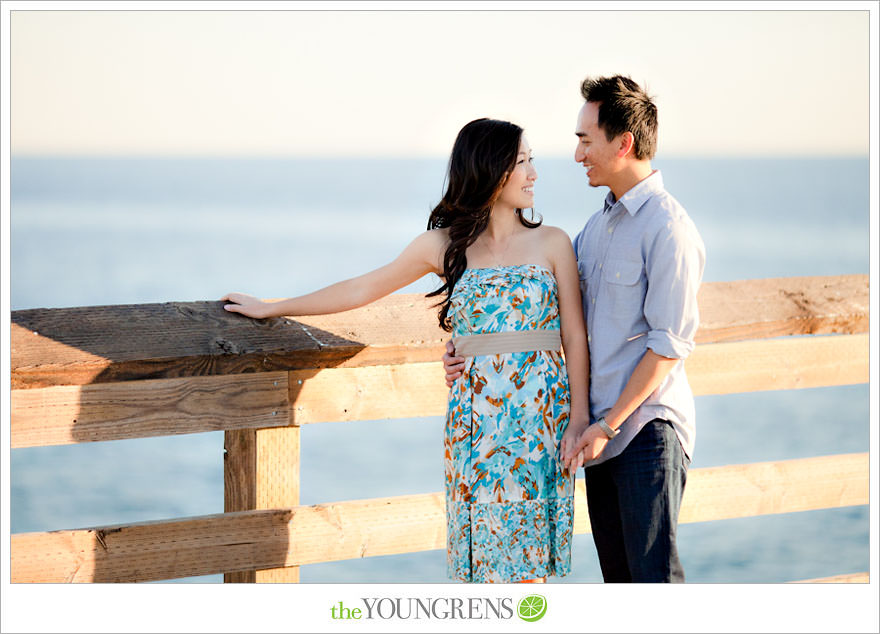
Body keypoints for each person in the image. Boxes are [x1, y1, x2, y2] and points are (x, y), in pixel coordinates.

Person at [222, 118, 590, 583]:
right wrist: (274, 307)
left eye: (531, 160)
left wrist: (579, 417)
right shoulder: (443, 246)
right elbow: (362, 287)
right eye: (522, 162)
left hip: (541, 417)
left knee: (529, 568)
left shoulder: (553, 242)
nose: (534, 172)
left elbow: (574, 335)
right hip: (476, 422)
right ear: (490, 170)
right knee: (483, 570)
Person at [444, 76, 706, 583]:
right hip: (595, 433)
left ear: (623, 143)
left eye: (586, 140)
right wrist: (467, 347)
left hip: (644, 429)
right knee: (620, 584)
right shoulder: (597, 227)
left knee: (654, 582)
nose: (577, 153)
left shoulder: (668, 228)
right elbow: (547, 316)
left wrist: (608, 424)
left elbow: (669, 346)